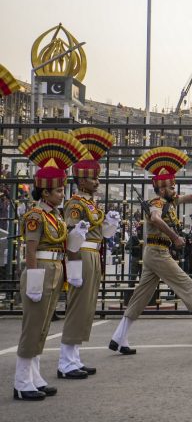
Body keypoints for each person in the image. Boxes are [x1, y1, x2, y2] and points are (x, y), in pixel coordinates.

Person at [109, 147, 192, 354]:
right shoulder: (156, 202)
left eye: (174, 185)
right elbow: (155, 218)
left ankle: (118, 337)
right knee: (186, 284)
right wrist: (175, 236)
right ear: (161, 189)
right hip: (157, 252)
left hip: (156, 253)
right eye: (171, 186)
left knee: (141, 296)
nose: (174, 188)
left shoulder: (171, 201)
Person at [13, 131, 90, 401]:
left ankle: (34, 377)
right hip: (41, 270)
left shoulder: (55, 216)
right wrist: (34, 281)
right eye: (58, 190)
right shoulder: (36, 215)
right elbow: (31, 250)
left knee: (43, 327)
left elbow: (64, 244)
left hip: (54, 270)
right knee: (32, 327)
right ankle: (21, 381)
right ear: (45, 192)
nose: (61, 194)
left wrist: (78, 234)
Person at [58, 128, 119, 380]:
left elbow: (100, 234)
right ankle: (65, 361)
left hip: (93, 255)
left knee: (87, 308)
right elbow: (71, 238)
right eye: (93, 178)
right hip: (81, 256)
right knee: (77, 307)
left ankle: (74, 357)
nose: (97, 182)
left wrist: (110, 224)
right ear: (82, 181)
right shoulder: (75, 204)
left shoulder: (91, 204)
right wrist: (72, 269)